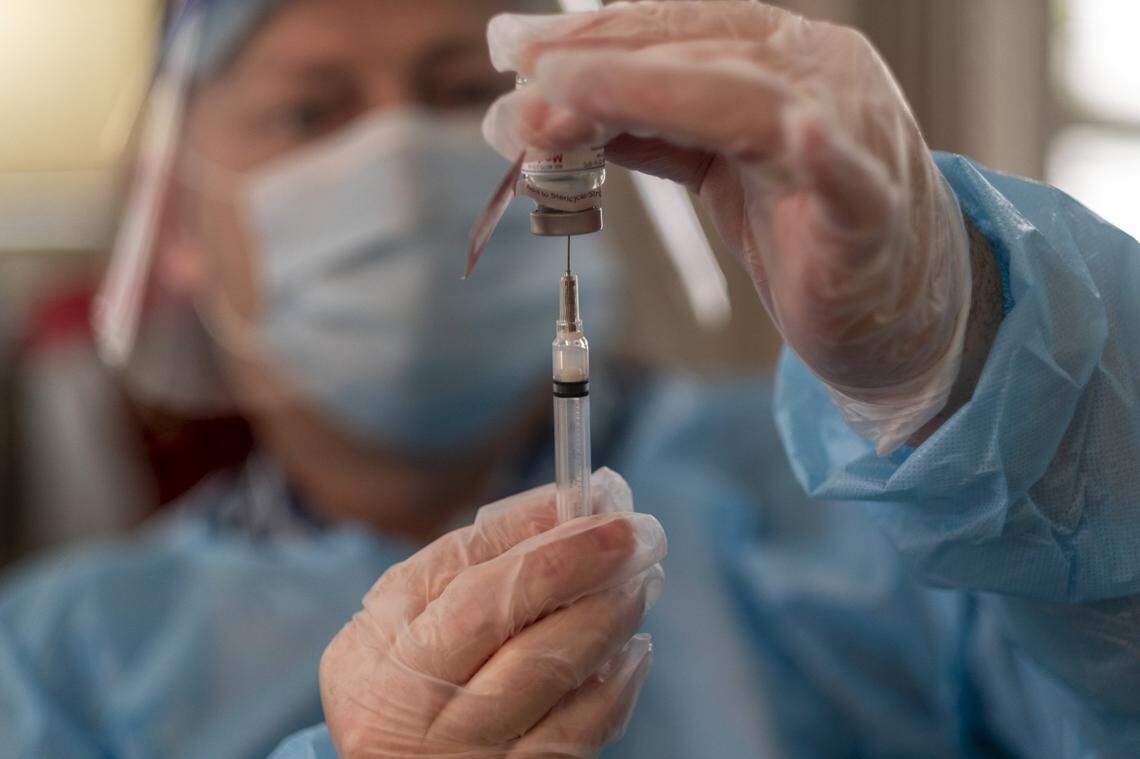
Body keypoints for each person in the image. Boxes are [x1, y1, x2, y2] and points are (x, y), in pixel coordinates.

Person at [2, 1, 1138, 758]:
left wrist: (965, 353)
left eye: (458, 91)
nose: (399, 166)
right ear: (181, 214)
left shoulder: (869, 510)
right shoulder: (63, 660)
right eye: (311, 111)